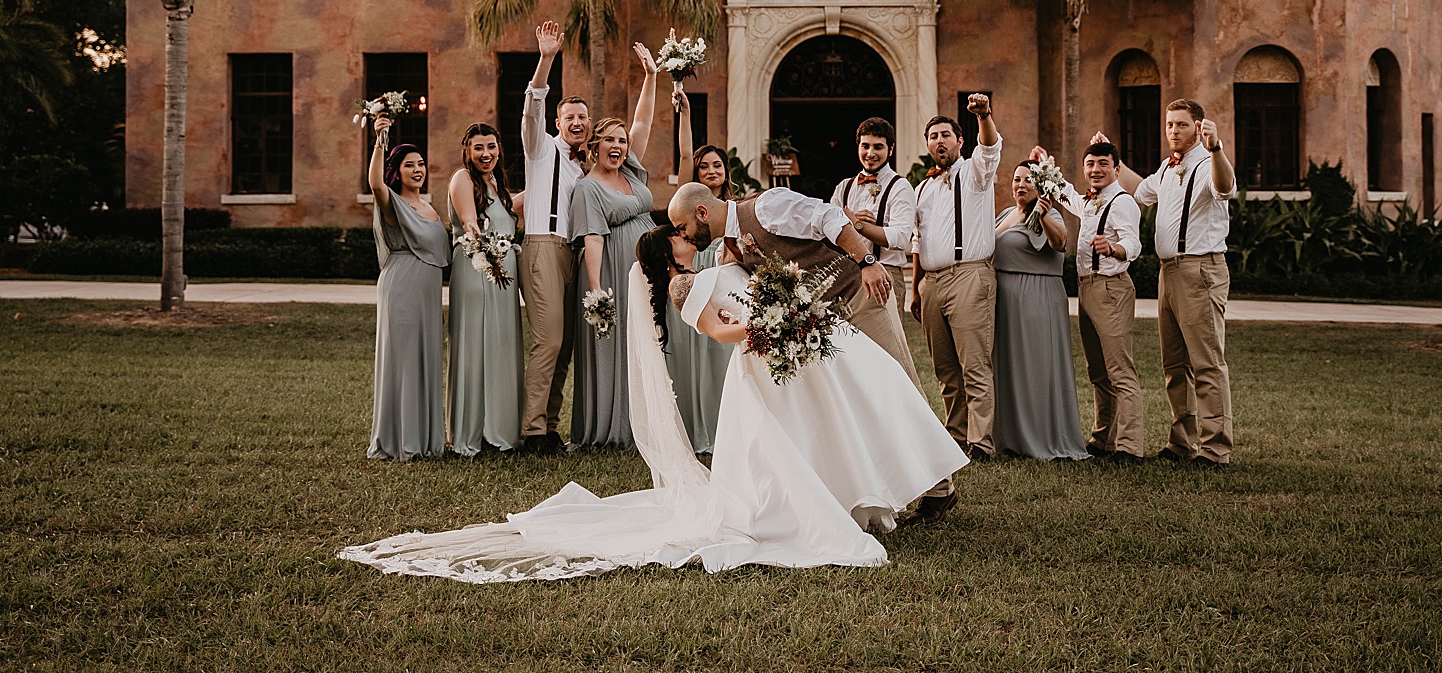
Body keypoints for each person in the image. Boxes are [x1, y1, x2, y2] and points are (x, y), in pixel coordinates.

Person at [337, 261, 969, 582]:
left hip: (775, 366)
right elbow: (722, 332)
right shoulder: (682, 287)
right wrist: (770, 325)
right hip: (754, 368)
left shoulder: (728, 259)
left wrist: (786, 313)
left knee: (806, 439)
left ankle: (848, 494)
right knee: (768, 465)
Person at [667, 173, 954, 527]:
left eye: (682, 226)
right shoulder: (727, 249)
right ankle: (883, 484)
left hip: (858, 295)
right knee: (859, 402)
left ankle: (941, 489)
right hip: (825, 322)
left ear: (701, 212)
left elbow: (829, 217)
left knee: (898, 382)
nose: (682, 235)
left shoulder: (767, 206)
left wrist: (867, 263)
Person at [1112, 100, 1237, 468]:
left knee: (1207, 363)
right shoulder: (1168, 168)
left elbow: (1226, 187)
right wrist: (1114, 163)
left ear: (1198, 127)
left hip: (1201, 271)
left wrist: (1216, 149)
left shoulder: (1208, 162)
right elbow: (1139, 191)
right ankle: (1182, 441)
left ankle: (1215, 449)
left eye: (1181, 125)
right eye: (1169, 125)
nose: (1173, 131)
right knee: (1174, 363)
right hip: (1169, 272)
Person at [566, 43, 663, 448]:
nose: (619, 147)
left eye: (622, 142)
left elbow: (642, 123)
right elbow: (592, 236)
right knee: (616, 344)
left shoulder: (631, 173)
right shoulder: (588, 187)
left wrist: (652, 77)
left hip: (645, 269)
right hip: (613, 272)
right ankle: (614, 426)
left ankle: (647, 420)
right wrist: (596, 288)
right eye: (610, 141)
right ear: (595, 145)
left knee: (645, 340)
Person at [909, 95, 1003, 466]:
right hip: (931, 282)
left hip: (969, 276)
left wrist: (983, 116)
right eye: (933, 136)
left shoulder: (975, 172)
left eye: (946, 135)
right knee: (945, 369)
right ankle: (956, 435)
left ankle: (981, 442)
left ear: (959, 142)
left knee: (974, 364)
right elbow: (918, 239)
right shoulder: (922, 187)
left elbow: (990, 147)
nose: (939, 141)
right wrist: (915, 289)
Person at [518, 21, 588, 455]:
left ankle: (550, 426)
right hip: (542, 245)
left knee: (566, 349)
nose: (576, 123)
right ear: (557, 122)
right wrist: (546, 59)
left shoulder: (584, 166)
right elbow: (531, 109)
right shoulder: (540, 150)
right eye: (570, 117)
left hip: (572, 254)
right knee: (550, 340)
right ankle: (531, 431)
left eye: (583, 117)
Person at [363, 116, 449, 460]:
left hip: (428, 292)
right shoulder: (391, 202)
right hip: (401, 285)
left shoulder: (429, 208)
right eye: (409, 165)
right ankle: (400, 440)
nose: (418, 169)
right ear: (396, 171)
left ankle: (427, 440)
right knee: (403, 361)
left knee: (425, 358)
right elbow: (374, 184)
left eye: (421, 164)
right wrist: (379, 140)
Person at [991, 155, 1086, 461]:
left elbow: (1060, 244)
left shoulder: (1051, 215)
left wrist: (1043, 215)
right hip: (1004, 297)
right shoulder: (1005, 214)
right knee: (1007, 367)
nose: (1021, 184)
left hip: (1036, 296)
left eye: (1028, 179)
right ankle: (1009, 438)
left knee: (1035, 367)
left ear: (1041, 185)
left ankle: (1042, 437)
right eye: (1017, 179)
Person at [1058, 139, 1145, 465]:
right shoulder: (1090, 201)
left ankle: (1129, 446)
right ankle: (1103, 438)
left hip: (1111, 288)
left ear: (1116, 168)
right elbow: (1066, 194)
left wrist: (1114, 249)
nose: (1096, 170)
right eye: (1090, 165)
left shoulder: (1122, 202)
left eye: (1103, 164)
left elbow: (1132, 243)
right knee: (1098, 370)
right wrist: (1042, 167)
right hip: (1088, 288)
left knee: (1119, 369)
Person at [660, 105, 739, 452]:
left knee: (721, 354)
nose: (710, 170)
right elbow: (684, 154)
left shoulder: (736, 210)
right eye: (703, 166)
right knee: (694, 353)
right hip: (694, 280)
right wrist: (686, 113)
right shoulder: (687, 208)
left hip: (725, 282)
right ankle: (695, 430)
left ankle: (726, 428)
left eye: (716, 165)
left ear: (726, 171)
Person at [445, 122, 523, 455]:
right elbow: (470, 223)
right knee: (475, 346)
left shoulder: (496, 184)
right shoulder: (462, 178)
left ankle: (499, 432)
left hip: (502, 274)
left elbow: (509, 211)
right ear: (467, 150)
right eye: (478, 148)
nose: (486, 154)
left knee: (500, 345)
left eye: (491, 147)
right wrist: (490, 260)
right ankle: (471, 434)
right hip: (477, 267)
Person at [637, 220, 732, 454]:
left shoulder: (703, 275)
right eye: (675, 235)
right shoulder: (680, 288)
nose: (684, 235)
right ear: (665, 253)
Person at [829, 117, 916, 325]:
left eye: (878, 147)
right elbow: (828, 231)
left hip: (885, 275)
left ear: (891, 149)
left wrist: (859, 226)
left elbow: (901, 238)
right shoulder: (844, 187)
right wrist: (851, 222)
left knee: (887, 351)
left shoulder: (900, 187)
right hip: (848, 274)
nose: (870, 153)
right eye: (865, 146)